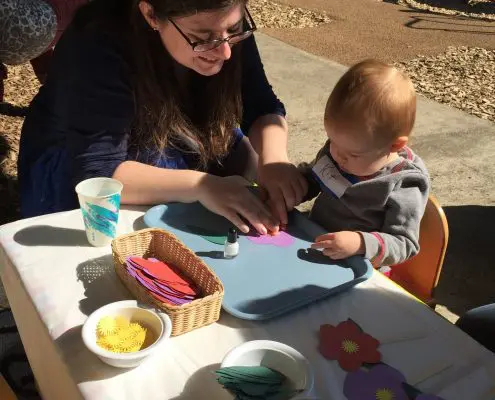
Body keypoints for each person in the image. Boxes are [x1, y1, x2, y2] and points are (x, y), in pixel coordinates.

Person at [17, 0, 307, 235]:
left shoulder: (219, 27)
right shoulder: (96, 44)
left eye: (234, 29)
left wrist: (274, 159)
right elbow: (100, 171)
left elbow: (260, 103)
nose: (225, 51)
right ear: (151, 14)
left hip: (174, 129)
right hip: (83, 155)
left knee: (245, 172)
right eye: (200, 38)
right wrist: (202, 186)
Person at [299, 60, 430, 267]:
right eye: (333, 141)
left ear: (394, 145)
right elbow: (315, 178)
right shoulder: (340, 151)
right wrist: (291, 188)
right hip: (315, 244)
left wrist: (360, 243)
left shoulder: (403, 184)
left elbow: (404, 243)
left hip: (361, 268)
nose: (337, 156)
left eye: (353, 154)